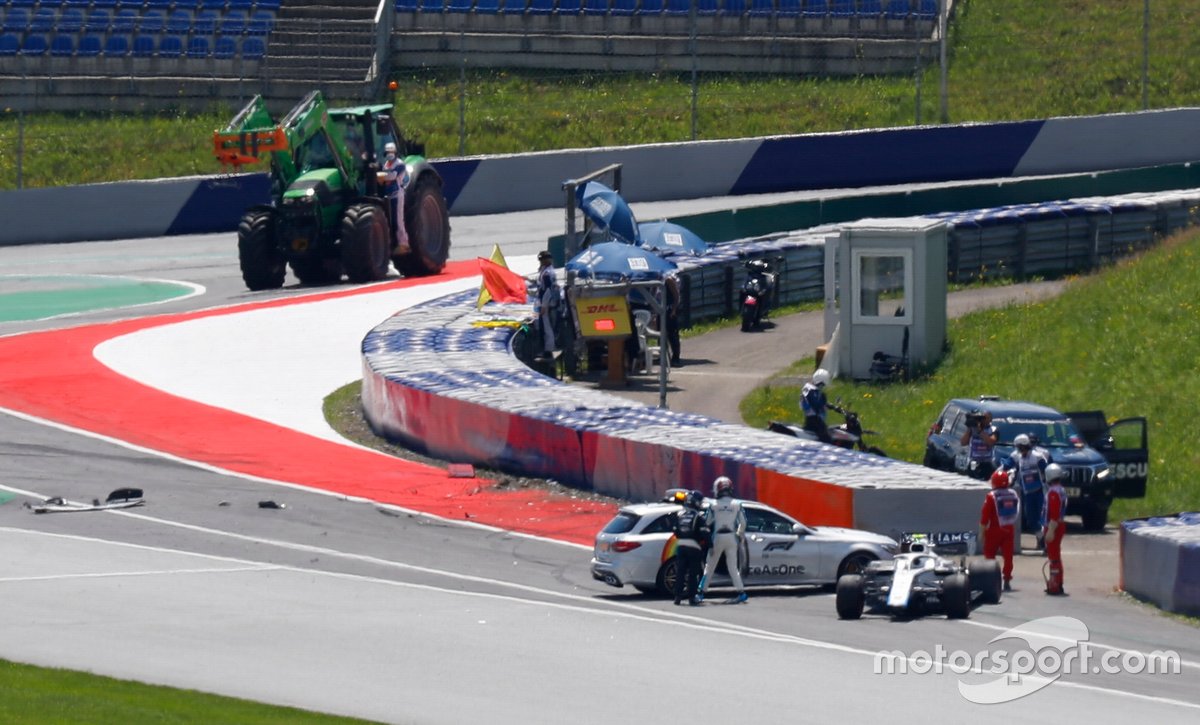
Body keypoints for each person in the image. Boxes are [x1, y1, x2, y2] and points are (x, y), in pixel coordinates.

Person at [698, 476, 748, 603]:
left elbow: (707, 521)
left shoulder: (713, 505)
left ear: (717, 489)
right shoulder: (737, 504)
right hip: (732, 537)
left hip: (718, 537)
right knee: (733, 567)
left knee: (709, 566)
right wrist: (739, 534)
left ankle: (701, 593)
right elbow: (743, 522)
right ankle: (741, 592)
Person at [1003, 433, 1049, 548]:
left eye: (1021, 447)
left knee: (1043, 518)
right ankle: (1040, 536)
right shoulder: (1017, 456)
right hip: (1028, 493)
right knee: (1031, 520)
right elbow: (1006, 466)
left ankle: (1047, 543)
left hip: (1040, 492)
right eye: (1018, 448)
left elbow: (1047, 473)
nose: (1020, 450)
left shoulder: (1038, 457)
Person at [980, 468, 1020, 591]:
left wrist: (982, 533)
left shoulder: (991, 496)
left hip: (994, 529)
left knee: (989, 555)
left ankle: (991, 579)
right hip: (1009, 528)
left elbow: (985, 516)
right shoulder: (1013, 494)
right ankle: (1007, 579)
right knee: (1008, 557)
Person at [672, 489, 711, 606]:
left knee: (680, 572)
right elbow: (705, 533)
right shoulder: (698, 517)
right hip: (694, 547)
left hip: (681, 546)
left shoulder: (680, 515)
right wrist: (710, 544)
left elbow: (675, 531)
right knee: (693, 574)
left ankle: (677, 597)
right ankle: (691, 597)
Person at [1043, 463, 1068, 595]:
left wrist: (1050, 530)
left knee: (1053, 557)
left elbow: (1054, 513)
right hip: (1059, 525)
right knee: (1056, 556)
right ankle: (1058, 582)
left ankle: (1055, 584)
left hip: (1054, 526)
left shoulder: (1053, 492)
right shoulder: (1061, 490)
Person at [381, 142, 410, 252]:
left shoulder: (400, 164)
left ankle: (403, 243)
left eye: (391, 152)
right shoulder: (386, 164)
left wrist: (381, 177)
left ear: (395, 152)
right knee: (392, 220)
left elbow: (392, 176)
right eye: (388, 152)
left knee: (398, 220)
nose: (389, 154)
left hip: (397, 194)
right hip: (388, 195)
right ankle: (394, 243)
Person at [960, 409, 999, 480]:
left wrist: (980, 431)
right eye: (982, 418)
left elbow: (991, 442)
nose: (983, 420)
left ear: (990, 420)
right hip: (974, 462)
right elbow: (963, 442)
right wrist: (970, 428)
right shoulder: (972, 429)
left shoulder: (993, 429)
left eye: (986, 418)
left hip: (987, 463)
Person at [535, 250, 559, 359]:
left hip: (546, 303)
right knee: (545, 326)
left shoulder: (547, 273)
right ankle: (546, 348)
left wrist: (544, 306)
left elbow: (548, 290)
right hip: (545, 301)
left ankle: (548, 350)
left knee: (546, 327)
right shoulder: (547, 271)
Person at [800, 368, 834, 443]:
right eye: (822, 384)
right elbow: (815, 404)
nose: (823, 387)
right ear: (820, 382)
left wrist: (829, 405)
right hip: (814, 419)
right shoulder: (810, 390)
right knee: (827, 440)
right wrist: (823, 403)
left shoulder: (810, 389)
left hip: (813, 419)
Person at [664, 273, 682, 367]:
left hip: (670, 309)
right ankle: (664, 356)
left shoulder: (668, 280)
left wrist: (674, 310)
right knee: (661, 334)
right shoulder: (656, 279)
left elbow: (676, 296)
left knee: (673, 334)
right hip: (661, 309)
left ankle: (676, 357)